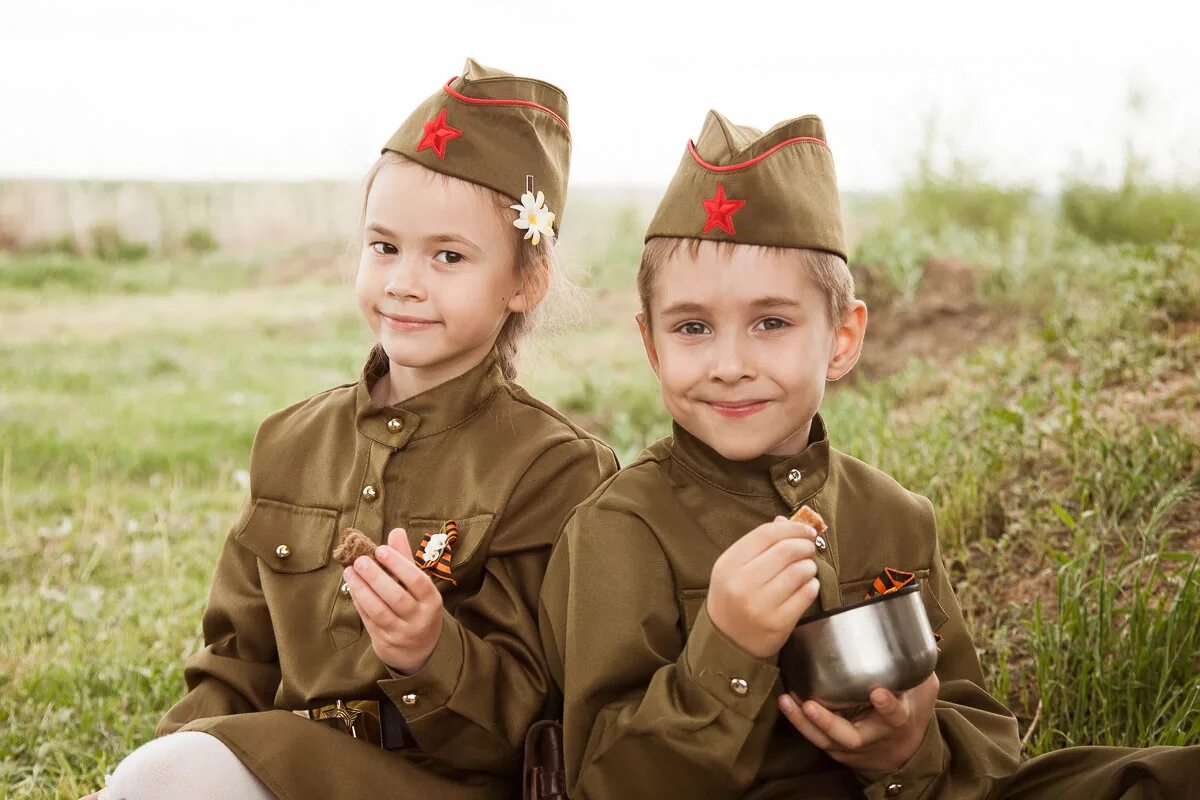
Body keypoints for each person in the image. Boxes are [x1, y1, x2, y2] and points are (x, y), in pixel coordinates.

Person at [538, 109, 1200, 800]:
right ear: (652, 346)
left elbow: (984, 744)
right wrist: (726, 647)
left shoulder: (892, 516)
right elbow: (605, 782)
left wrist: (909, 747)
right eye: (693, 327)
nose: (729, 363)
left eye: (771, 323)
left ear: (843, 337)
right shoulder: (621, 530)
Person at [87, 58, 618, 800]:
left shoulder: (555, 469)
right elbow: (235, 667)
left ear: (525, 281)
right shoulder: (290, 443)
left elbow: (537, 717)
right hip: (285, 774)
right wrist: (166, 769)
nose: (404, 279)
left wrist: (432, 651)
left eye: (449, 255)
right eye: (384, 246)